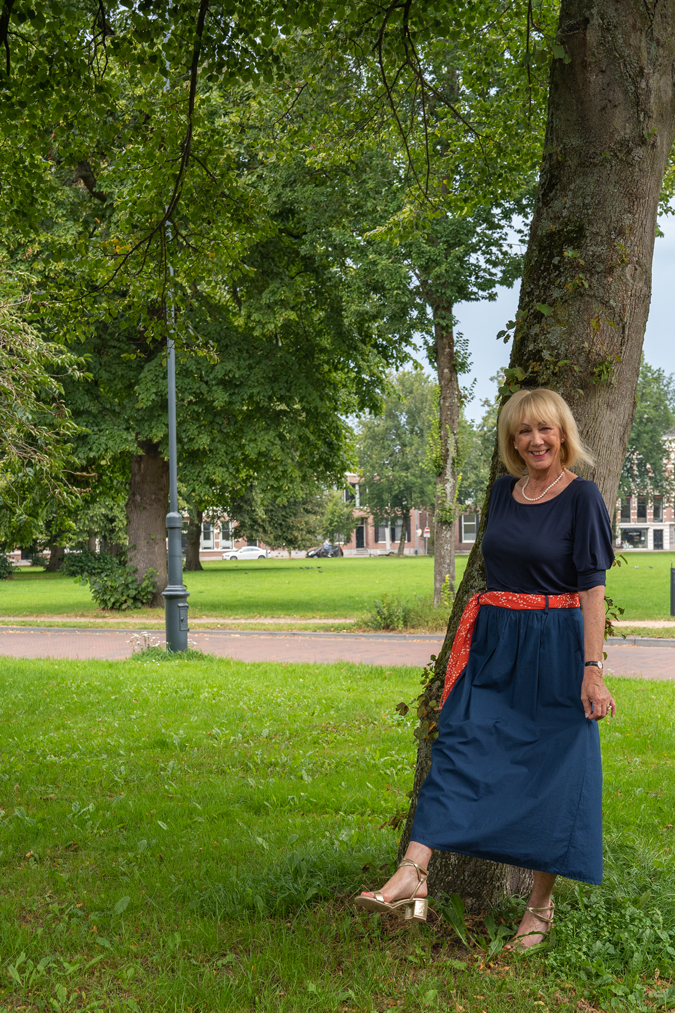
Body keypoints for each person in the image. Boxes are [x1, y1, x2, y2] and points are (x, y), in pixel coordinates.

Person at [356, 387, 616, 948]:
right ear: (511, 440)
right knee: (460, 743)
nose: (535, 440)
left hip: (556, 646)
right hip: (496, 642)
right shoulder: (502, 493)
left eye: (545, 429)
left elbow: (593, 589)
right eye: (523, 431)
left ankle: (540, 909)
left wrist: (592, 668)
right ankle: (414, 871)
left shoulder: (583, 498)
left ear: (563, 434)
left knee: (556, 769)